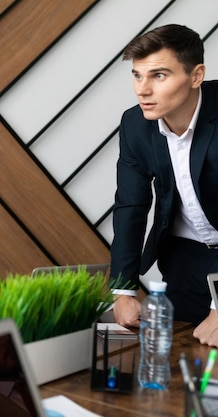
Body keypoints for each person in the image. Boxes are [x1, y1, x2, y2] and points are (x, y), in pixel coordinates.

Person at [109, 24, 218, 345]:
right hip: (185, 261)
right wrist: (123, 289)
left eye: (159, 76)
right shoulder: (135, 125)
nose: (142, 89)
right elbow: (130, 205)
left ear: (196, 75)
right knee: (185, 358)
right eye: (137, 75)